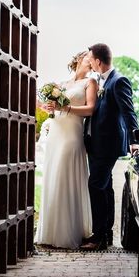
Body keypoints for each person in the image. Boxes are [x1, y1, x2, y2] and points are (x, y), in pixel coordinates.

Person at [35, 51, 99, 249]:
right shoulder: (61, 84)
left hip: (72, 135)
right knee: (53, 177)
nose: (91, 58)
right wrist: (48, 107)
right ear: (79, 59)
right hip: (56, 132)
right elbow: (52, 108)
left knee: (66, 176)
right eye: (88, 55)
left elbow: (90, 109)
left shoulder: (91, 83)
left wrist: (66, 109)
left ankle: (69, 232)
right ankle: (51, 232)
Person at [81, 43, 139, 250]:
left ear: (98, 61)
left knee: (95, 184)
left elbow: (128, 112)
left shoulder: (118, 81)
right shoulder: (101, 81)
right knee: (104, 186)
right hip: (96, 143)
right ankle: (104, 235)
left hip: (108, 144)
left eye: (90, 58)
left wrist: (135, 140)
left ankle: (99, 237)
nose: (89, 62)